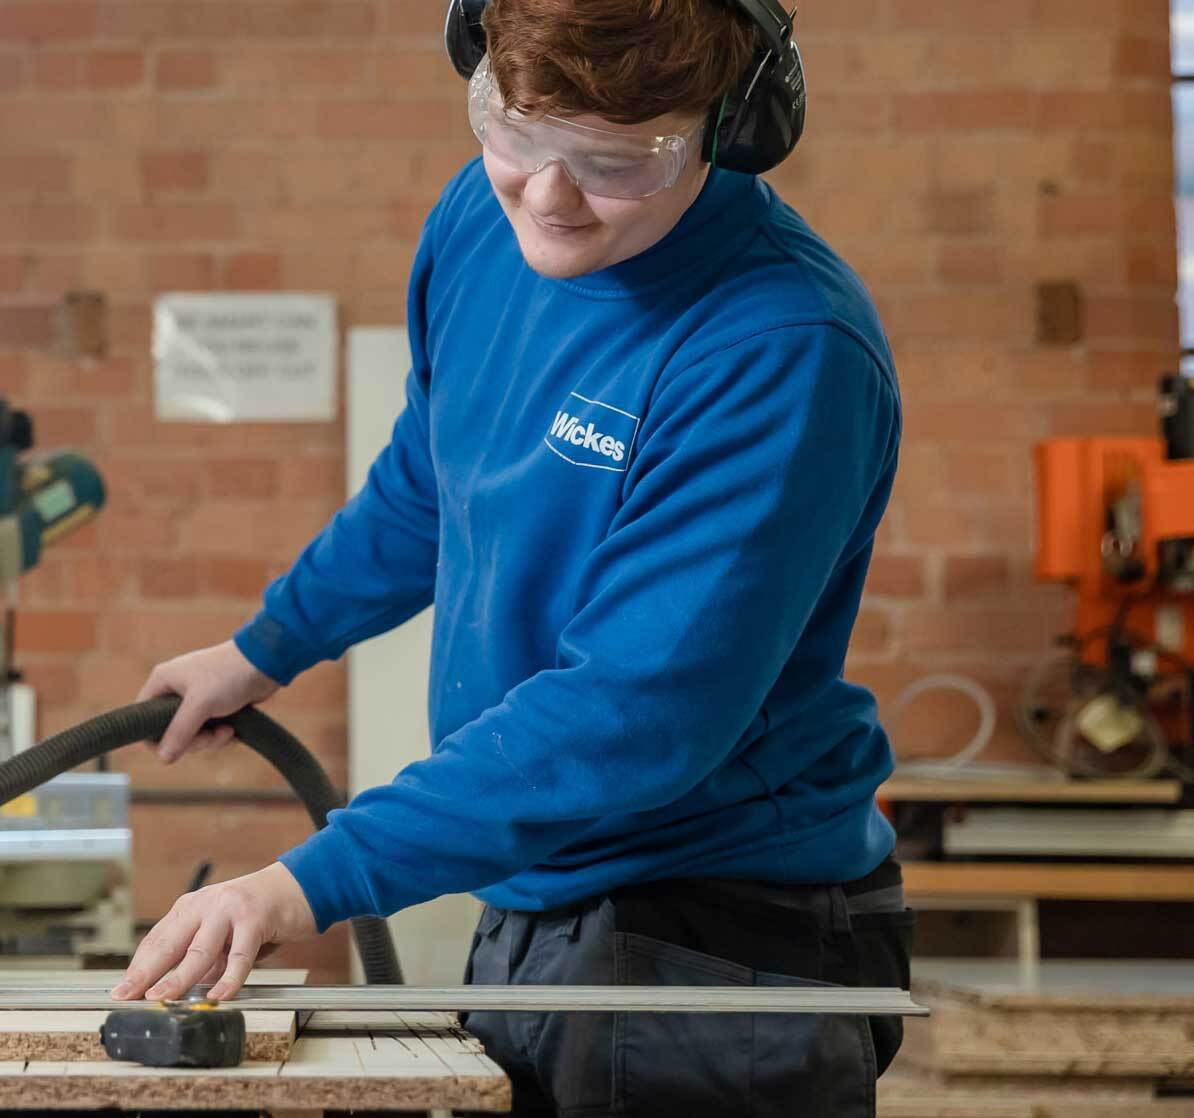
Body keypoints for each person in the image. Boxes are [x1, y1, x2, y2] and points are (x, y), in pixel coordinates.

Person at [112, 0, 914, 1113]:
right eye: (514, 126)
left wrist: (313, 880)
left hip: (721, 948)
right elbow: (433, 479)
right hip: (543, 894)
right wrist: (266, 646)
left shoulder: (781, 348)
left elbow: (632, 712)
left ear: (732, 125)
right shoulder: (478, 223)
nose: (546, 194)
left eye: (614, 160)